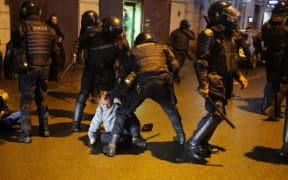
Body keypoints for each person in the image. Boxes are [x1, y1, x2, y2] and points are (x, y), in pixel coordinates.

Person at [102, 32, 186, 157]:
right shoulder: (164, 48)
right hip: (162, 82)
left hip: (142, 85)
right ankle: (181, 136)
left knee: (123, 112)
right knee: (171, 110)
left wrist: (116, 93)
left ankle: (112, 145)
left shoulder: (133, 51)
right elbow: (175, 65)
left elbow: (122, 74)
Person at [184, 1, 248, 163]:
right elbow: (201, 62)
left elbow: (230, 60)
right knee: (217, 114)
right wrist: (204, 84)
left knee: (217, 113)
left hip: (225, 81)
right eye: (229, 15)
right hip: (214, 80)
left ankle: (203, 143)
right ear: (221, 16)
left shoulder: (228, 35)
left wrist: (238, 76)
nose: (233, 19)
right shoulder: (209, 34)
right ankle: (193, 143)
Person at [11, 0, 61, 143]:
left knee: (26, 100)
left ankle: (25, 134)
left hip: (29, 70)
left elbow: (13, 46)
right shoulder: (49, 29)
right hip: (44, 69)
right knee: (42, 99)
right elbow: (56, 52)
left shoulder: (22, 27)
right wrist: (55, 72)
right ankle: (45, 129)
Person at [71, 13, 130, 132]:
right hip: (94, 69)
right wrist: (76, 56)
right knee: (86, 94)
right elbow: (78, 43)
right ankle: (77, 124)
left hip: (105, 69)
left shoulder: (118, 36)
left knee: (106, 96)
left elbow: (125, 53)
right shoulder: (92, 33)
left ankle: (108, 122)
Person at [261, 1, 287, 120]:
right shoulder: (285, 26)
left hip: (270, 59)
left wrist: (262, 53)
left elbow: (260, 41)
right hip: (282, 60)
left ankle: (267, 106)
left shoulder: (266, 25)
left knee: (271, 82)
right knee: (280, 85)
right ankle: (274, 110)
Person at [46, 14, 65, 81]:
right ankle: (51, 76)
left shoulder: (56, 26)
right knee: (53, 61)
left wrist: (61, 38)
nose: (55, 21)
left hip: (57, 45)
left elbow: (61, 34)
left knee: (59, 59)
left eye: (55, 19)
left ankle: (55, 75)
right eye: (53, 19)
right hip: (50, 46)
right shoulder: (48, 26)